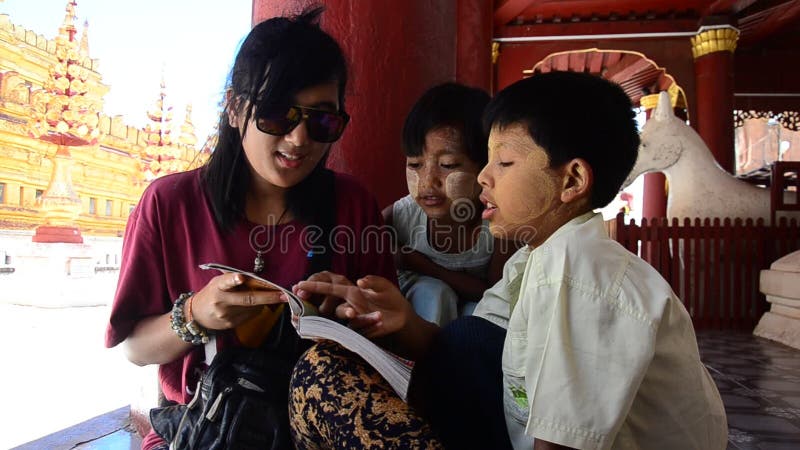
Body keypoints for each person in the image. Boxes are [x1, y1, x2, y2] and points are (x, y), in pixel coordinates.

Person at [291, 71, 728, 449]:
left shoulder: (581, 272)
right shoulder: (534, 261)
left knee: (322, 380)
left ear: (572, 179)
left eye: (503, 161)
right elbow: (465, 350)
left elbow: (561, 441)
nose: (483, 176)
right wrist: (397, 319)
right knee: (369, 359)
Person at [104, 8, 418, 450]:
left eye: (322, 120)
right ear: (234, 109)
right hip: (206, 427)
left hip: (316, 429)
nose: (299, 140)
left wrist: (361, 316)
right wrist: (195, 315)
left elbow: (389, 347)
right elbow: (136, 349)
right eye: (276, 115)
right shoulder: (168, 203)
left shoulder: (352, 205)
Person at [383, 82, 513, 326]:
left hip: (471, 315)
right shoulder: (403, 215)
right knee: (432, 294)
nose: (427, 181)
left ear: (485, 167)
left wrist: (420, 263)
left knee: (482, 315)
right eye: (414, 165)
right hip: (417, 320)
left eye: (448, 165)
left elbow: (493, 294)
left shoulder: (499, 223)